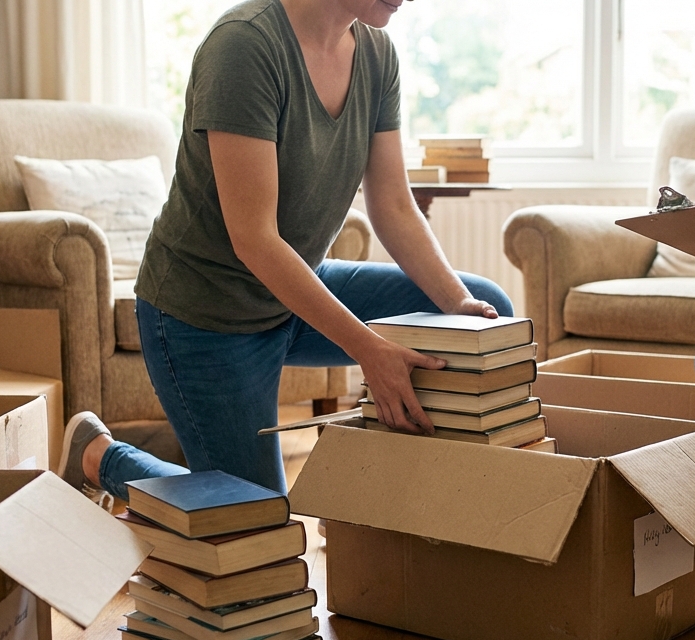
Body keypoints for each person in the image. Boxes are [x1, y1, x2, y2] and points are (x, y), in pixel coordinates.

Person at [57, 0, 513, 501]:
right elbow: (255, 239)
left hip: (291, 296)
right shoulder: (243, 46)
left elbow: (394, 208)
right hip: (204, 316)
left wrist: (457, 305)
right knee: (255, 522)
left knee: (483, 312)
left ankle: (423, 509)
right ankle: (102, 457)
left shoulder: (378, 55)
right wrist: (368, 349)